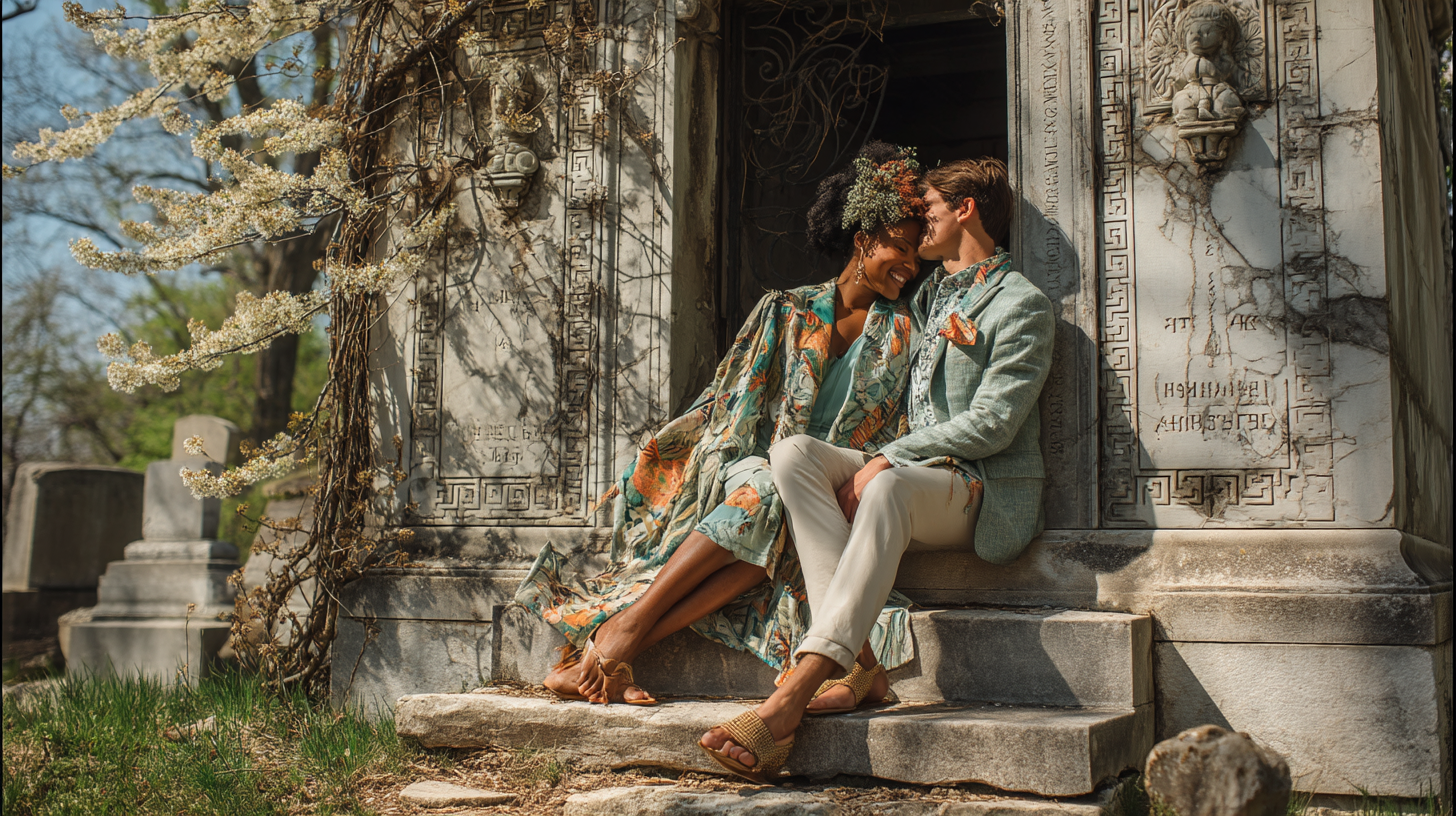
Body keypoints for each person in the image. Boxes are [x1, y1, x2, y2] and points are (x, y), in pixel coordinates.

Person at [513, 142, 928, 707]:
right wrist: (661, 460)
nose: (909, 266)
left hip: (825, 489)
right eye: (899, 248)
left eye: (916, 256)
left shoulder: (906, 334)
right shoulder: (785, 309)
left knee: (779, 506)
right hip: (750, 464)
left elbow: (901, 428)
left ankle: (611, 645)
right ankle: (622, 638)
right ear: (862, 239)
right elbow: (729, 405)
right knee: (765, 488)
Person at [699, 157, 1055, 782]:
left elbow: (995, 426)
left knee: (885, 484)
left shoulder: (1022, 304)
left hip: (976, 482)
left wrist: (890, 456)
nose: (921, 225)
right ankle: (862, 660)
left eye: (931, 211)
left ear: (965, 209)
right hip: (914, 469)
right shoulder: (926, 295)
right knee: (794, 455)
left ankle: (794, 694)